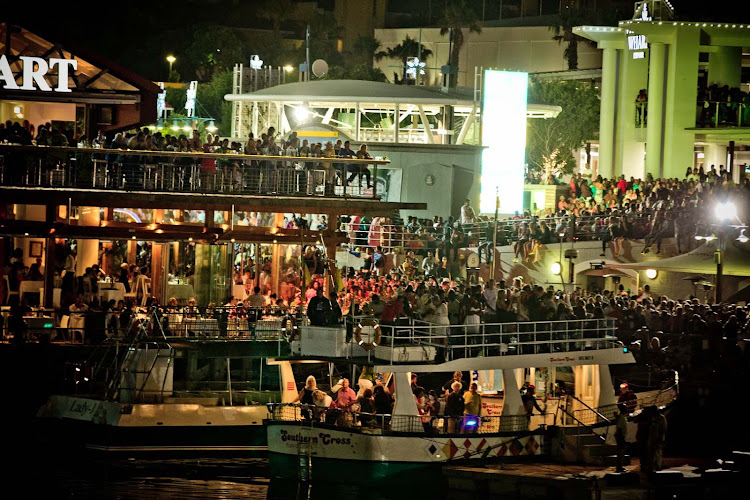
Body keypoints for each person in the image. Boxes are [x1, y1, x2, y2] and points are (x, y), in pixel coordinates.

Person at [614, 403, 629, 473]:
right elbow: (619, 428)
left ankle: (620, 467)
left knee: (620, 453)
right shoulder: (622, 418)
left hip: (620, 436)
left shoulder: (621, 417)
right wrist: (621, 438)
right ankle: (619, 467)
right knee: (621, 453)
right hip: (621, 436)